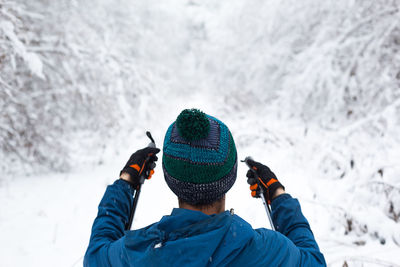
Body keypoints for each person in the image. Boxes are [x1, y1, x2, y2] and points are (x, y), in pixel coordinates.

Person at [84, 109, 326, 267]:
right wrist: (278, 196)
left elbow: (95, 255)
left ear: (169, 179)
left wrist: (126, 182)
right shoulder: (267, 250)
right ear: (229, 176)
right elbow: (313, 261)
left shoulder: (136, 251)